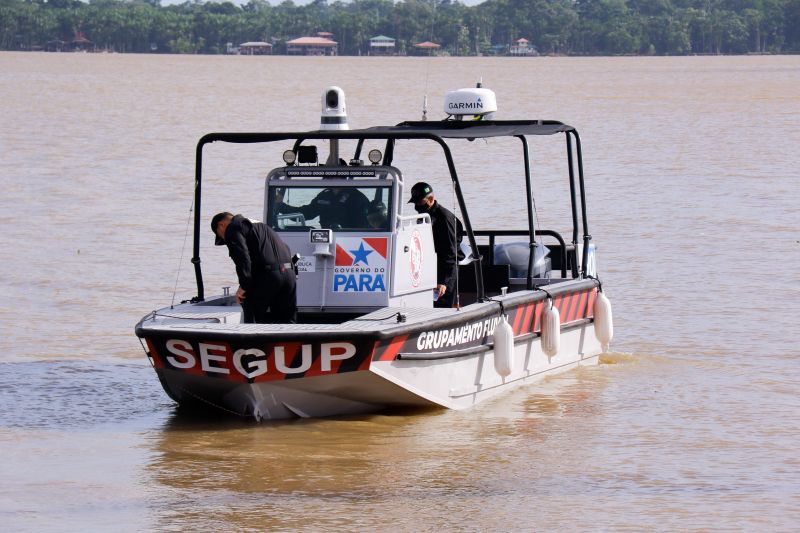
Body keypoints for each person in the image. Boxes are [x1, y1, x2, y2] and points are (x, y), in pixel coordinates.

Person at [211, 212, 297, 324]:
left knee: (250, 310)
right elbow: (285, 247)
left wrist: (244, 286)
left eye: (220, 235)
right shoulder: (260, 225)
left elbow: (242, 258)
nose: (224, 238)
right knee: (286, 320)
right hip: (289, 274)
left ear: (221, 225)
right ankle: (288, 341)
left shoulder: (233, 228)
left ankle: (253, 341)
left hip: (269, 276)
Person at [408, 182, 464, 308]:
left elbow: (451, 252)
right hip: (430, 268)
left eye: (420, 202)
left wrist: (443, 281)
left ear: (431, 199)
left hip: (445, 270)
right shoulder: (425, 215)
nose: (417, 205)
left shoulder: (444, 218)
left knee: (441, 306)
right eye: (415, 202)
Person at [277, 187, 371, 230]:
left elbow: (365, 225)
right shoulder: (324, 195)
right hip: (325, 240)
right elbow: (307, 213)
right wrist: (280, 206)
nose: (329, 177)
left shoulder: (357, 197)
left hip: (352, 240)